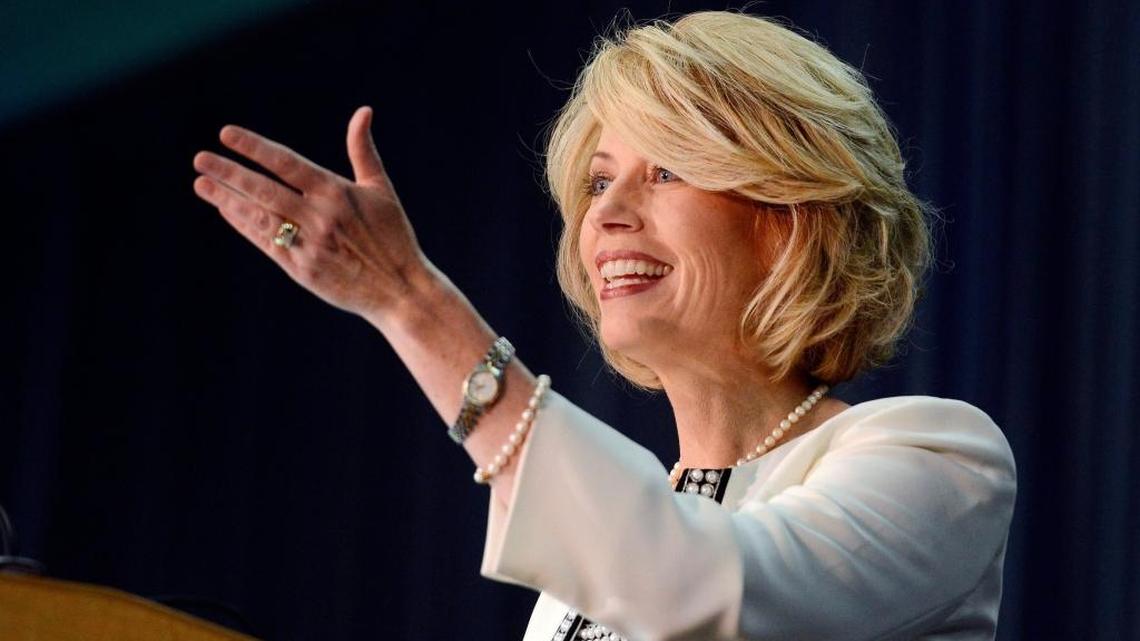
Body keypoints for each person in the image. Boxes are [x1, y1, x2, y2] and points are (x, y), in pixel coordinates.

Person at [191, 10, 1016, 641]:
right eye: (597, 181)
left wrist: (411, 300)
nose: (608, 214)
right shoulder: (590, 559)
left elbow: (714, 589)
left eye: (666, 170)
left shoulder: (940, 459)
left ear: (792, 218)